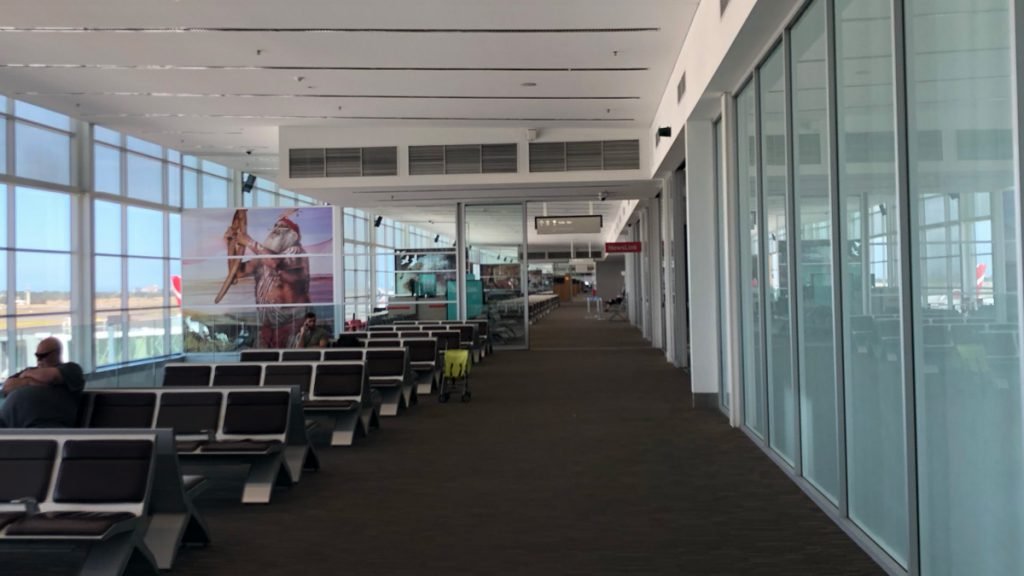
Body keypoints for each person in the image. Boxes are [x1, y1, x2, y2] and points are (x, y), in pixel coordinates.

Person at [226, 215, 312, 348]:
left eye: (282, 227)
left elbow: (275, 262)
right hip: (268, 324)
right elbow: (237, 272)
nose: (276, 229)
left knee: (289, 363)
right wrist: (231, 243)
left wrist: (248, 241)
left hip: (292, 323)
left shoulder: (296, 252)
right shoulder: (263, 256)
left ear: (293, 235)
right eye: (275, 226)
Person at [0, 337, 85, 428]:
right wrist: (30, 382)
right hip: (11, 424)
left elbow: (51, 376)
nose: (39, 360)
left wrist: (26, 380)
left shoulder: (71, 369)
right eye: (37, 356)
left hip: (46, 426)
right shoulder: (30, 371)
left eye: (43, 356)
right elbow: (7, 386)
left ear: (56, 353)